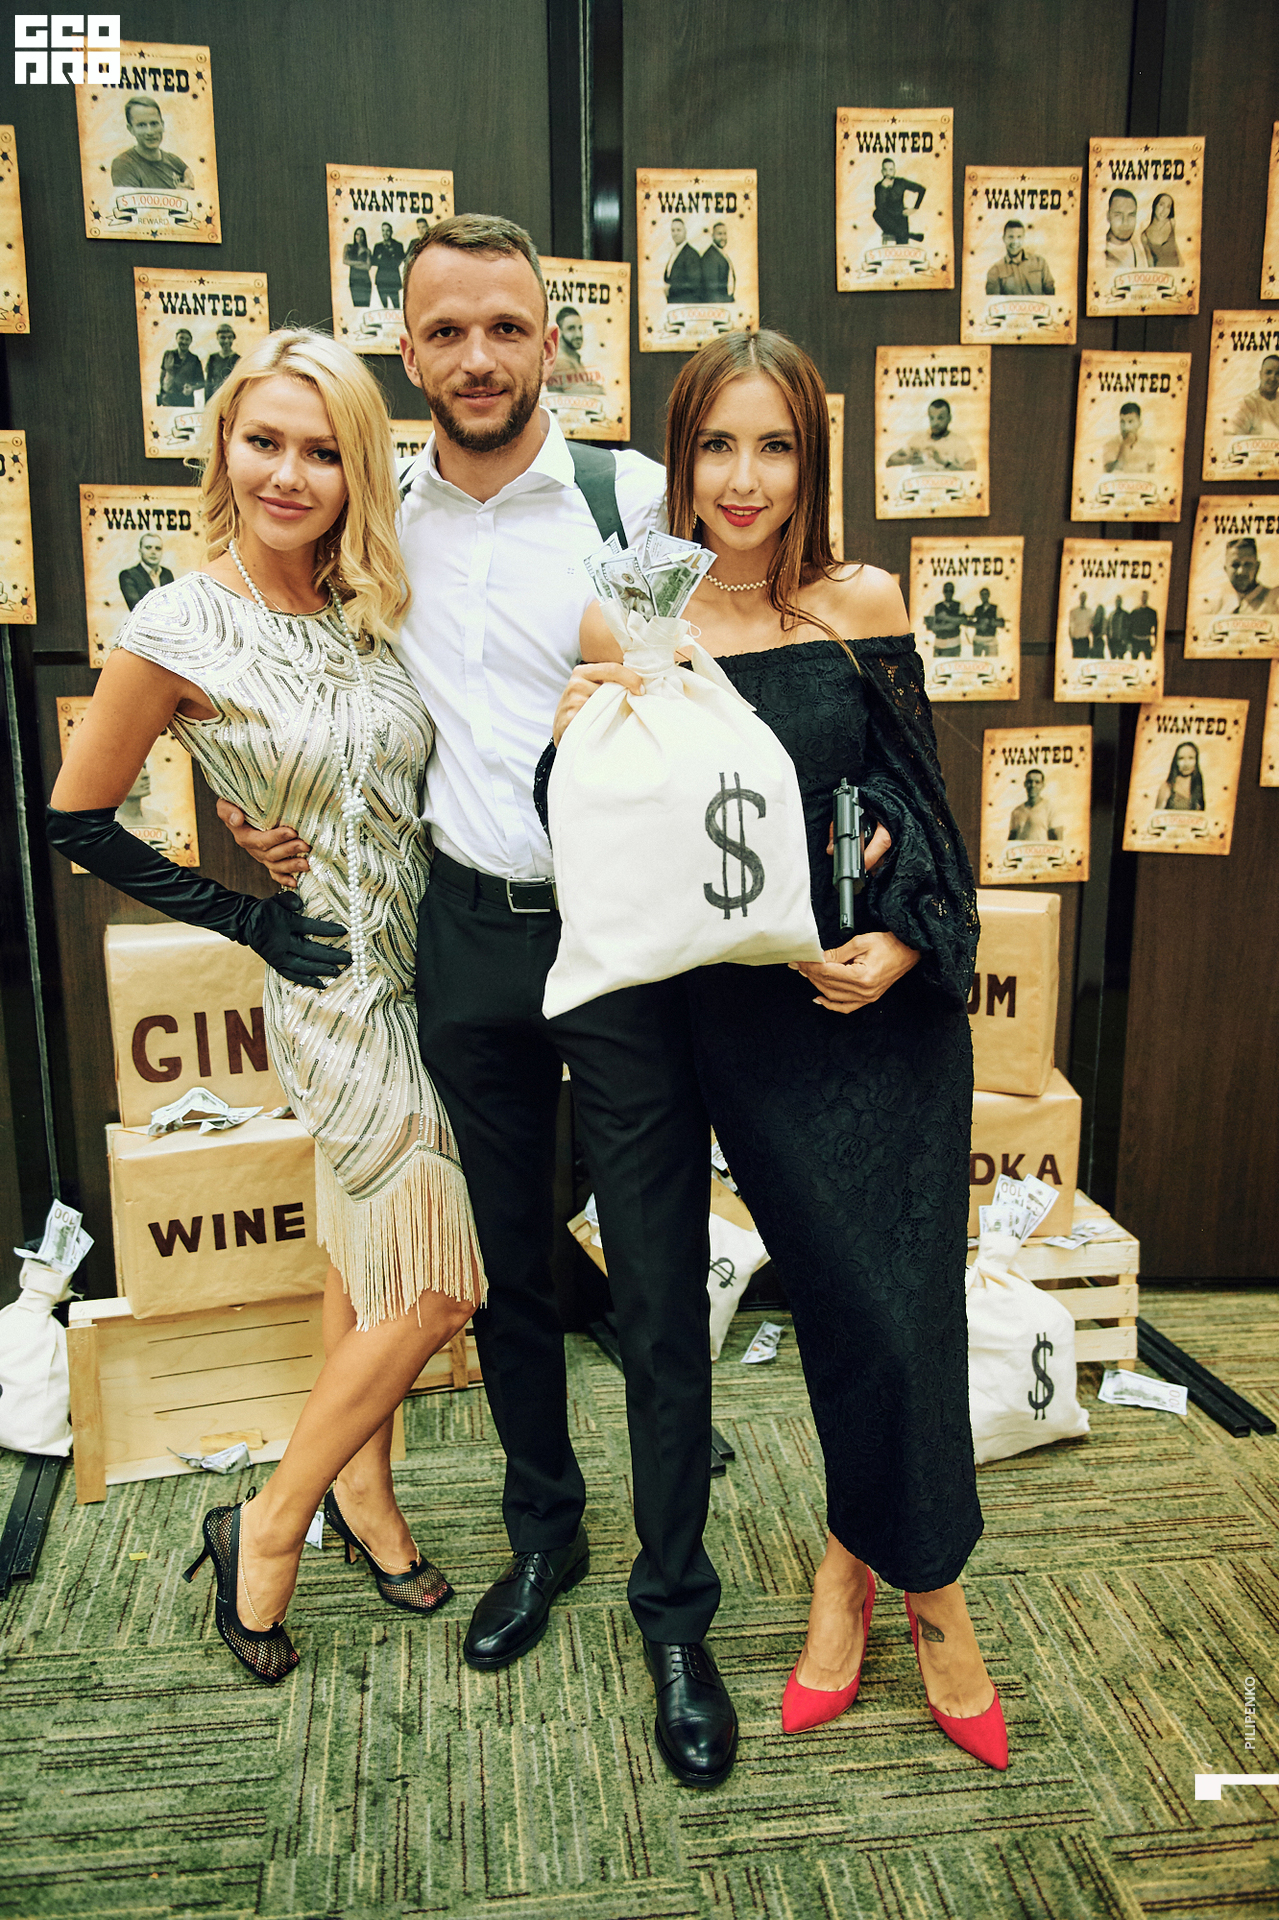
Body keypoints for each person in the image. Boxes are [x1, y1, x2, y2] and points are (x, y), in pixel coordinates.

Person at [218, 215, 739, 1788]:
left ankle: (674, 1608)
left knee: (654, 1281)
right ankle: (543, 1537)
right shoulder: (376, 515)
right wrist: (250, 809)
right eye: (444, 331)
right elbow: (278, 665)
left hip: (623, 939)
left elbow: (704, 687)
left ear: (549, 341)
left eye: (505, 327)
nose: (476, 357)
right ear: (408, 348)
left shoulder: (632, 502)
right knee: (504, 1269)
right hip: (463, 935)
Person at [560, 328, 1004, 1770]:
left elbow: (920, 809)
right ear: (677, 458)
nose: (743, 479)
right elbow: (609, 839)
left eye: (775, 447)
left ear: (810, 462)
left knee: (900, 1314)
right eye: (716, 445)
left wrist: (905, 942)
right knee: (836, 1308)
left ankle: (881, 1582)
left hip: (881, 1015)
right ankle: (913, 1582)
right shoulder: (632, 620)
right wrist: (573, 733)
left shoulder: (857, 601)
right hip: (741, 1023)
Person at [48, 328, 486, 1686]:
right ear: (224, 448)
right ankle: (269, 1521)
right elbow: (75, 819)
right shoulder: (178, 624)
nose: (289, 475)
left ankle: (366, 1495)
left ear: (356, 472)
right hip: (331, 988)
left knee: (367, 1269)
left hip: (434, 970)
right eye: (264, 443)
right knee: (437, 1287)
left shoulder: (373, 603)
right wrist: (243, 908)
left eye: (320, 451)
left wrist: (276, 803)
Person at [110, 97, 194, 191]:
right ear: (131, 129)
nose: (150, 132)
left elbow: (191, 180)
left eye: (154, 124)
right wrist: (178, 194)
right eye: (141, 125)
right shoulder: (123, 164)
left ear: (162, 125)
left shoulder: (174, 161)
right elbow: (132, 199)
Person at [886, 398, 976, 471]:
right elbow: (890, 461)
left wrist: (944, 462)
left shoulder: (958, 442)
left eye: (940, 418)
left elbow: (973, 468)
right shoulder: (919, 439)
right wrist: (908, 460)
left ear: (949, 418)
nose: (935, 423)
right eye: (932, 418)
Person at [1207, 537, 1279, 616]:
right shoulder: (1217, 607)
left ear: (1257, 567)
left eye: (1248, 564)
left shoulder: (1274, 601)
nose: (1241, 571)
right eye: (1235, 565)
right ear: (1226, 569)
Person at [985, 220, 1055, 297]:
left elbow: (1051, 296)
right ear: (1004, 239)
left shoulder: (1040, 263)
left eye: (1019, 237)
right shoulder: (995, 271)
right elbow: (993, 301)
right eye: (1011, 237)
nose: (1015, 242)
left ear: (1023, 238)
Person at [547, 306, 603, 396]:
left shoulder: (573, 357)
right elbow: (582, 393)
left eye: (580, 328)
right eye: (571, 328)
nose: (578, 335)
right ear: (559, 331)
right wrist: (600, 390)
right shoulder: (561, 361)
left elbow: (590, 385)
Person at [873, 159, 925, 245]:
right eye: (885, 170)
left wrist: (915, 208)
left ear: (894, 171)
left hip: (900, 216)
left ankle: (906, 235)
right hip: (887, 220)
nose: (888, 173)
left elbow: (921, 189)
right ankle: (910, 235)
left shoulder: (901, 182)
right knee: (876, 213)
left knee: (902, 245)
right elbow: (879, 207)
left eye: (890, 170)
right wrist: (883, 188)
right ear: (882, 171)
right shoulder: (878, 186)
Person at [118, 532, 173, 611]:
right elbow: (137, 608)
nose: (153, 552)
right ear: (140, 551)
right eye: (148, 548)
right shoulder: (128, 575)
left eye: (158, 548)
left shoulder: (167, 574)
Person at [1229, 356, 1279, 438]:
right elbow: (1236, 436)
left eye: (1277, 374)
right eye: (1268, 372)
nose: (1273, 378)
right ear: (1261, 375)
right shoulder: (1248, 403)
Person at [1008, 767, 1062, 841]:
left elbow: (1058, 840)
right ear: (1025, 784)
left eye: (1037, 782)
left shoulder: (1050, 809)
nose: (1033, 785)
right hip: (1022, 848)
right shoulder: (1016, 811)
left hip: (1041, 848)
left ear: (1042, 785)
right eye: (1029, 782)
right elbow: (1011, 840)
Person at [1102, 402, 1155, 474]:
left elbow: (1153, 475)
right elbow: (1110, 474)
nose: (1125, 427)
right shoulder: (1109, 445)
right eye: (1122, 422)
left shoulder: (1148, 445)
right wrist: (1124, 446)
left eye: (1130, 422)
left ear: (1139, 423)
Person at [157, 330, 203, 408]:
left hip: (185, 400)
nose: (184, 342)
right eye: (181, 338)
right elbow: (162, 375)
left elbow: (202, 383)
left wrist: (191, 388)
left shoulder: (194, 359)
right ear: (176, 339)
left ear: (191, 341)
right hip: (167, 399)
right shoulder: (168, 355)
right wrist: (162, 392)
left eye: (187, 339)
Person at [664, 218, 705, 304]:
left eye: (679, 230)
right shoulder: (674, 252)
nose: (675, 233)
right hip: (674, 302)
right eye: (673, 230)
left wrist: (670, 289)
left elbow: (694, 284)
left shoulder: (691, 254)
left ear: (685, 232)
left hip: (686, 303)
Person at [1156, 741, 1205, 811]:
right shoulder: (1168, 787)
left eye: (1191, 758)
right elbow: (1157, 815)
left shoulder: (1198, 786)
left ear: (1196, 761)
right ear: (1176, 761)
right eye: (1181, 758)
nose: (1186, 764)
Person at [924, 581, 965, 655]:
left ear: (953, 592)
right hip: (940, 645)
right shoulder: (936, 607)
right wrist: (949, 625)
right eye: (946, 591)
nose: (948, 593)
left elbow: (963, 621)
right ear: (943, 592)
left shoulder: (959, 605)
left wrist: (945, 618)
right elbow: (930, 626)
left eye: (950, 591)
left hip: (955, 644)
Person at [372, 221, 406, 309]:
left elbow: (399, 261)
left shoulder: (398, 245)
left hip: (393, 280)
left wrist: (382, 258)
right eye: (383, 230)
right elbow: (374, 262)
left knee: (396, 307)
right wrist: (390, 257)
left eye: (387, 230)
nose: (385, 233)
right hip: (381, 280)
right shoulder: (377, 246)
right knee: (384, 308)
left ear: (391, 232)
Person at [1104, 188, 1140, 270]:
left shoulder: (1140, 248)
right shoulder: (1097, 253)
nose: (1125, 222)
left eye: (1131, 215)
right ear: (1108, 216)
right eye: (1118, 215)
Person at [1141, 192, 1180, 267]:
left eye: (1168, 207)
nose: (1164, 210)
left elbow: (1177, 250)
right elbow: (1150, 262)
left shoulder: (1172, 223)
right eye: (1161, 205)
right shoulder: (1144, 236)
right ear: (1155, 205)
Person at [701, 221, 736, 302]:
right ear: (712, 236)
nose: (723, 237)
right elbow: (711, 291)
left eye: (724, 234)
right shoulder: (710, 257)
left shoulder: (720, 253)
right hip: (718, 303)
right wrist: (728, 302)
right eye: (719, 234)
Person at [204, 325, 239, 399]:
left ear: (233, 338)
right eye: (223, 338)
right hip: (215, 398)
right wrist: (208, 402)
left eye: (229, 337)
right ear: (218, 338)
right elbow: (208, 383)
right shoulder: (212, 358)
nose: (226, 341)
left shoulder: (238, 359)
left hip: (230, 398)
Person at [969, 586, 1004, 655]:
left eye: (986, 594)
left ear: (989, 595)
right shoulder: (977, 609)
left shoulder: (995, 608)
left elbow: (1002, 623)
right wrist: (978, 625)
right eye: (982, 595)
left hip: (991, 639)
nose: (984, 596)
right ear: (980, 596)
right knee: (977, 660)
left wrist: (990, 622)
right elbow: (968, 621)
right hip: (978, 639)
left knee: (992, 659)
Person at [343, 227, 372, 308]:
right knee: (356, 305)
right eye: (357, 234)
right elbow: (345, 261)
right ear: (354, 236)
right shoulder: (348, 247)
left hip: (365, 281)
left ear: (364, 237)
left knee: (365, 306)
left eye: (362, 235)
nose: (359, 237)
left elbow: (368, 267)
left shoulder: (367, 251)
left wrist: (352, 264)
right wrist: (360, 263)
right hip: (354, 280)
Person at [1128, 589, 1158, 659]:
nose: (1143, 598)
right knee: (1134, 661)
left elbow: (1156, 629)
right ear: (1140, 597)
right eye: (1142, 596)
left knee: (1148, 661)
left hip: (1146, 641)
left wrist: (1155, 644)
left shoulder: (1152, 612)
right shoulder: (1134, 612)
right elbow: (1129, 628)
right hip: (1135, 641)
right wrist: (1129, 643)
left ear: (1147, 597)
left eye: (1145, 596)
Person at [1067, 590, 1094, 658]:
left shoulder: (1090, 612)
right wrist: (1072, 640)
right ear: (1079, 598)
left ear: (1086, 598)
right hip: (1076, 640)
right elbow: (1070, 627)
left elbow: (1092, 626)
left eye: (1084, 597)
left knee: (1084, 659)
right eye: (1082, 597)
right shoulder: (1074, 611)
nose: (1083, 598)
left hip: (1085, 640)